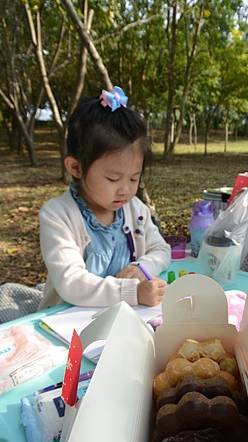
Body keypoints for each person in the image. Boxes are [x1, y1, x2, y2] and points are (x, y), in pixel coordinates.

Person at [39, 86, 170, 309]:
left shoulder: (135, 210)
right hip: (66, 322)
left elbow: (161, 250)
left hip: (121, 318)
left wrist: (142, 267)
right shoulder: (57, 215)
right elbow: (72, 283)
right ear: (76, 167)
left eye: (133, 179)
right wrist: (132, 292)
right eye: (112, 179)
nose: (125, 191)